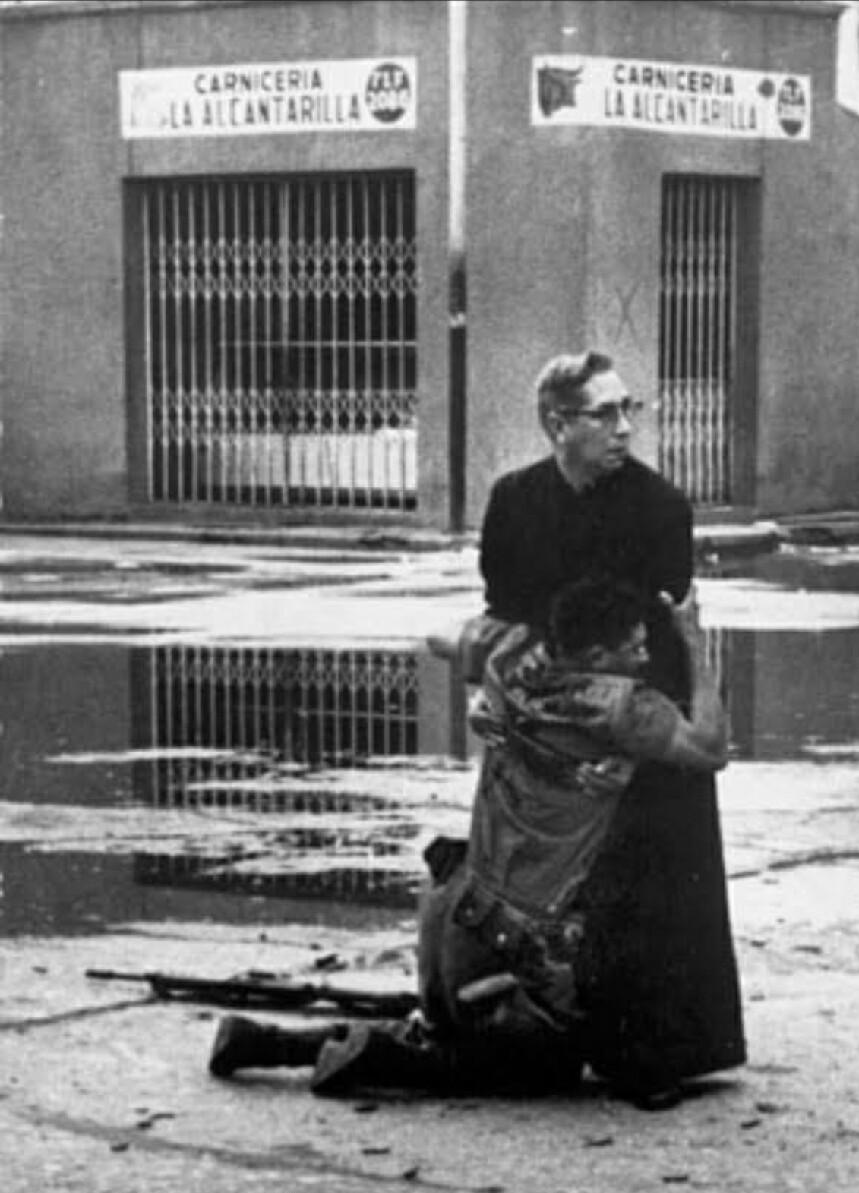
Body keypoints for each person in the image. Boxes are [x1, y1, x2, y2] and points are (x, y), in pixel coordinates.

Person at [207, 576, 729, 1107]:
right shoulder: (621, 708)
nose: (645, 657)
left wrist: (486, 692)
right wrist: (693, 639)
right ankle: (379, 1058)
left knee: (442, 1024)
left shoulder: (514, 647)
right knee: (539, 1064)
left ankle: (265, 1043)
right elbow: (711, 747)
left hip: (449, 916)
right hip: (518, 946)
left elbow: (438, 638)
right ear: (596, 655)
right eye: (635, 647)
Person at [477, 349, 745, 1093]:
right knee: (531, 879)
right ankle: (541, 1030)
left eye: (631, 410)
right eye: (606, 413)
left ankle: (661, 1052)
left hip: (641, 712)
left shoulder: (659, 508)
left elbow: (663, 638)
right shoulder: (514, 502)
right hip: (551, 719)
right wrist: (503, 703)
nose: (625, 427)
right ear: (557, 423)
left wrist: (636, 751)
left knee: (654, 871)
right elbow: (506, 617)